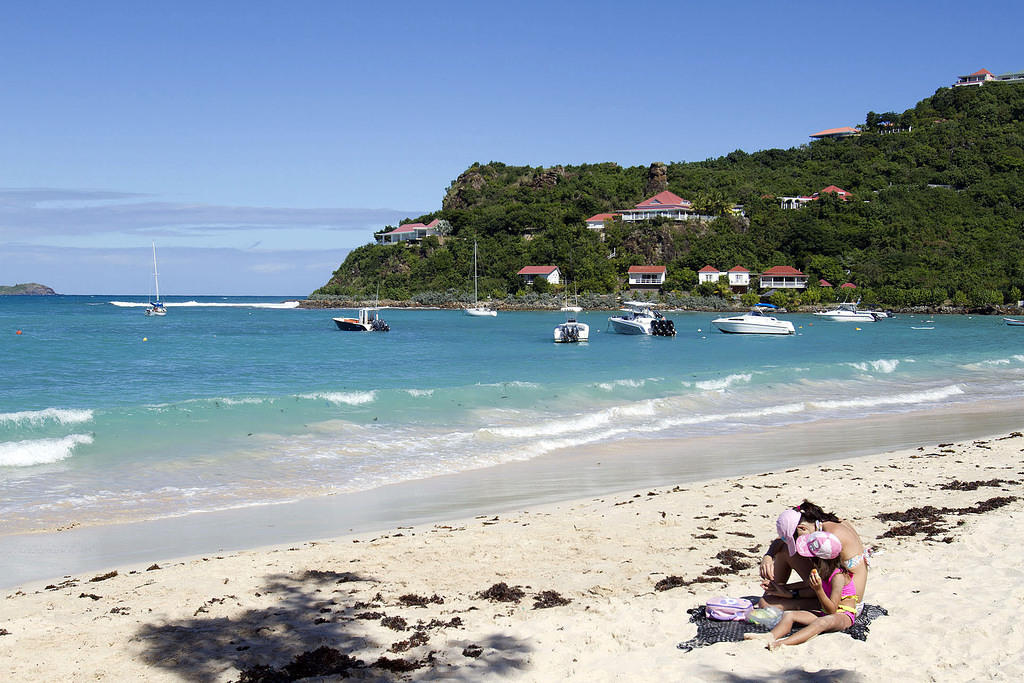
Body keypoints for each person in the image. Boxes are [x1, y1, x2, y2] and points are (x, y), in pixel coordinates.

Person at [746, 531, 859, 649]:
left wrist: (818, 590)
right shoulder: (823, 572)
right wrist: (782, 589)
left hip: (843, 614)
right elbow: (807, 587)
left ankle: (782, 643)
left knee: (822, 622)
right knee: (789, 615)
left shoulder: (838, 577)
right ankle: (770, 636)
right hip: (823, 611)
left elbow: (832, 610)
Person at [757, 500, 869, 611]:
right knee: (784, 550)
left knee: (767, 604)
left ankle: (775, 592)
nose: (798, 543)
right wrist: (768, 556)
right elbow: (781, 541)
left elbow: (822, 584)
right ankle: (773, 590)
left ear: (802, 528)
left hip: (844, 601)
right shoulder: (824, 522)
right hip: (833, 585)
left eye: (797, 539)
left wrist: (790, 593)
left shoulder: (829, 540)